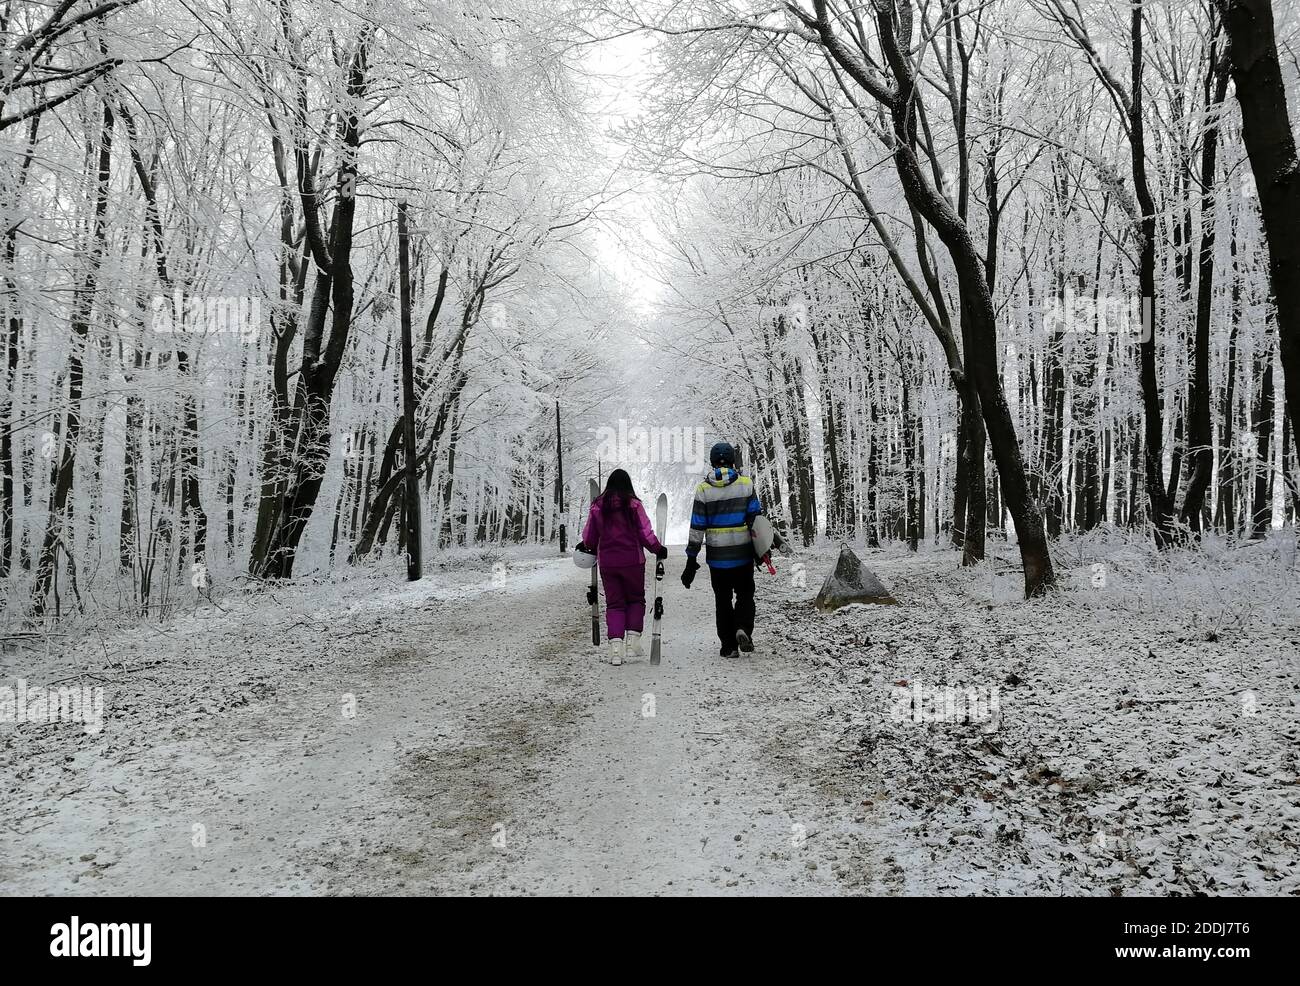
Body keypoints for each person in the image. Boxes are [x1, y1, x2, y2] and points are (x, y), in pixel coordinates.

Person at [577, 469, 668, 666]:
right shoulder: (634, 505)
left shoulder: (597, 507)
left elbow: (590, 538)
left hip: (608, 563)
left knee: (614, 604)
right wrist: (658, 549)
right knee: (635, 599)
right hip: (633, 562)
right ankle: (632, 643)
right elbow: (645, 533)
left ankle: (615, 650)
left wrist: (587, 547)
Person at [680, 442, 761, 658]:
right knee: (745, 595)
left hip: (717, 558)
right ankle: (742, 627)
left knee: (722, 599)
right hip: (742, 554)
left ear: (712, 462)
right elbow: (756, 520)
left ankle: (728, 647)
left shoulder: (703, 490)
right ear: (733, 461)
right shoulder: (746, 484)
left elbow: (697, 526)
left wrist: (691, 560)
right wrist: (761, 550)